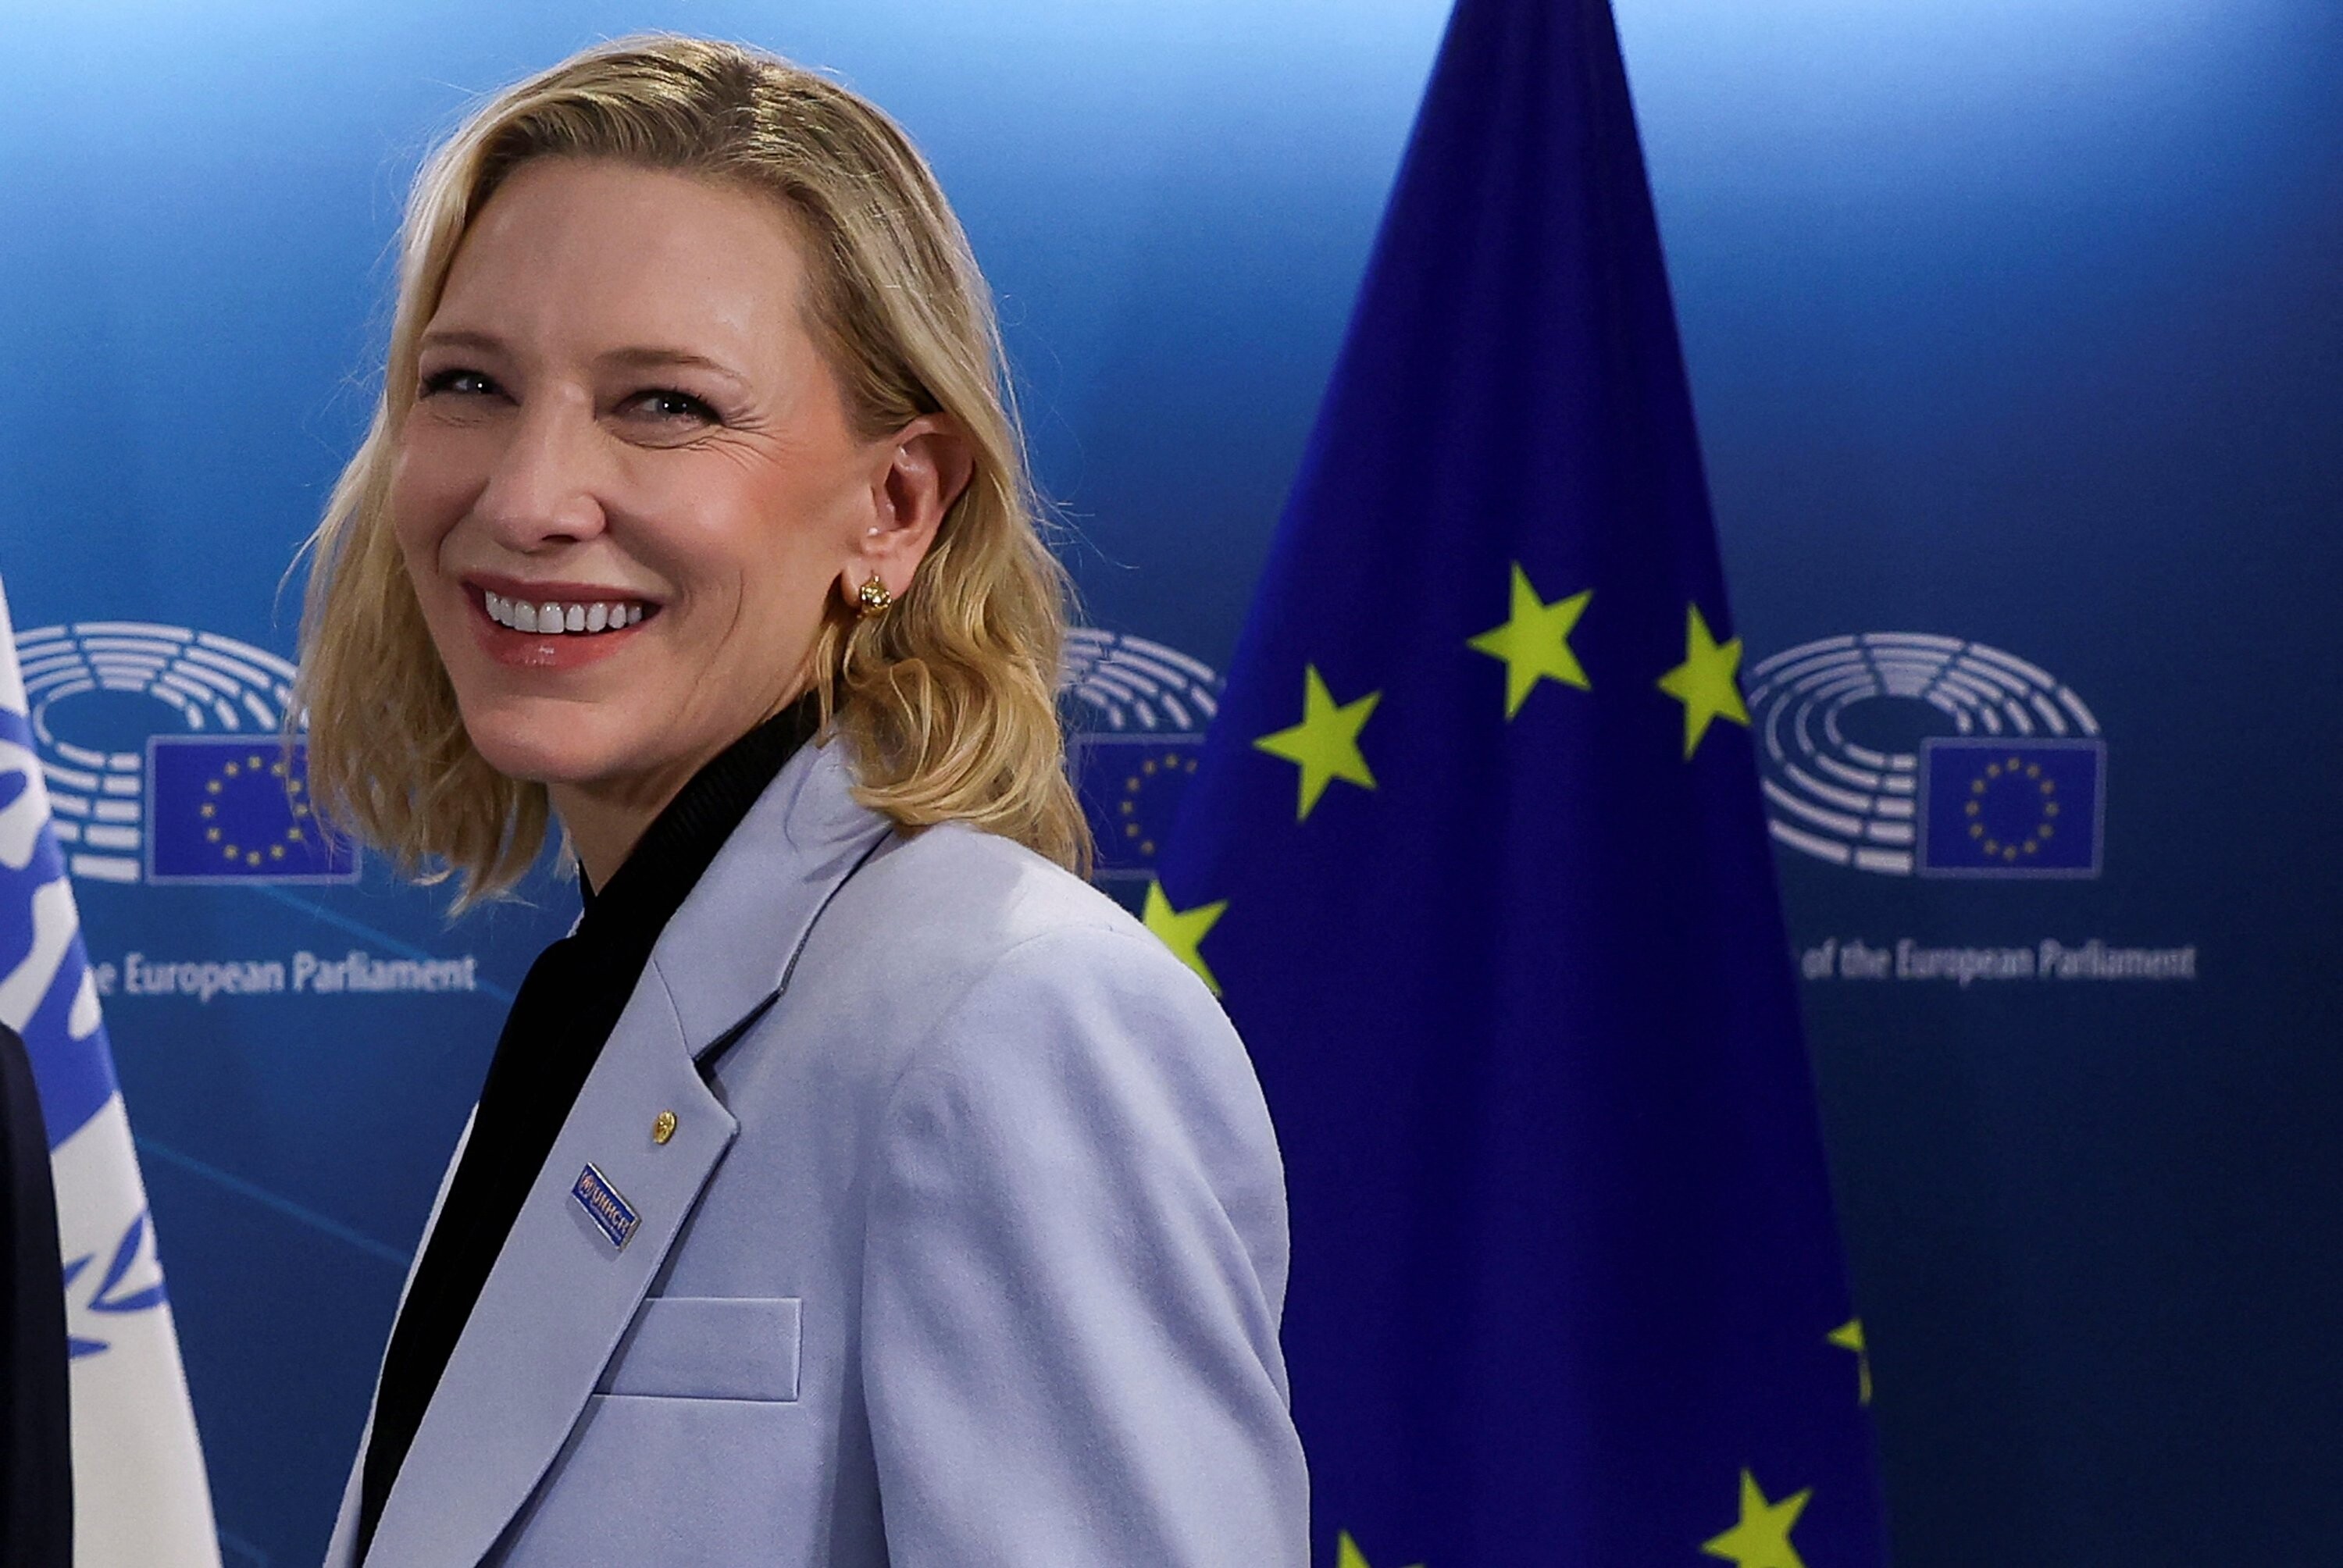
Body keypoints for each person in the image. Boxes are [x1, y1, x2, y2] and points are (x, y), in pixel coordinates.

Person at [294, 35, 1305, 1566]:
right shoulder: (618, 982)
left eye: (665, 405)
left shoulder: (1012, 1014)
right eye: (470, 384)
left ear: (897, 505)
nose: (526, 496)